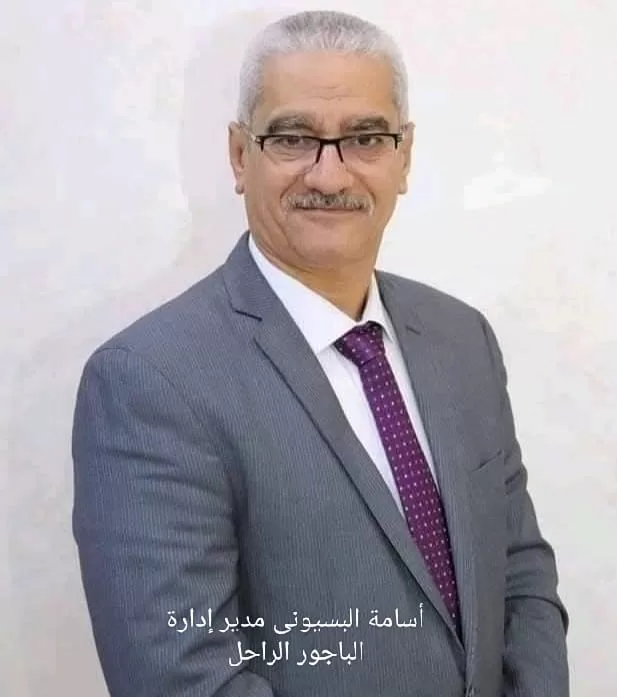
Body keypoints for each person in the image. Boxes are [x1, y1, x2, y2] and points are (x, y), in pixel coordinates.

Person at [72, 10, 569, 697]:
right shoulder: (149, 381)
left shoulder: (463, 340)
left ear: (403, 156)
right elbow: (183, 676)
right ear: (239, 156)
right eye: (292, 138)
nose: (329, 176)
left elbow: (521, 578)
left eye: (365, 138)